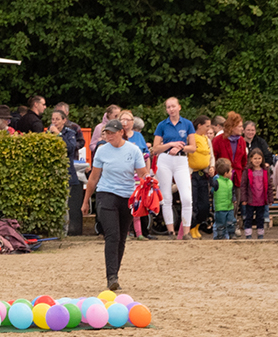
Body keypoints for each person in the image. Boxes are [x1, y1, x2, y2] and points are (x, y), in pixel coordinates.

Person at [80, 118, 149, 292]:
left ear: (121, 132)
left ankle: (114, 273)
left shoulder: (133, 150)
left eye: (112, 133)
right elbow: (94, 177)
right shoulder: (102, 151)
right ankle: (112, 277)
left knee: (121, 237)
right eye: (107, 133)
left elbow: (142, 173)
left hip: (127, 196)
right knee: (112, 235)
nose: (109, 136)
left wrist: (149, 184)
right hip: (106, 194)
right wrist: (86, 201)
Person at [151, 97, 194, 239]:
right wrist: (170, 144)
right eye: (168, 107)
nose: (171, 109)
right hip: (165, 160)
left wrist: (180, 148)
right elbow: (155, 148)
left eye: (173, 106)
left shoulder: (187, 124)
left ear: (179, 107)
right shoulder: (162, 125)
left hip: (181, 160)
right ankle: (171, 231)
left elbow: (193, 147)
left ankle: (186, 231)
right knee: (166, 197)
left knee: (186, 198)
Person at [50, 109, 86, 235]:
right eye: (53, 119)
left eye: (57, 119)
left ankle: (63, 231)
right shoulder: (48, 133)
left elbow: (70, 147)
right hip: (52, 173)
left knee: (63, 203)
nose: (54, 122)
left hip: (66, 172)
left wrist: (59, 135)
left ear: (64, 120)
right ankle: (52, 229)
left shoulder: (70, 133)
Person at [187, 116, 214, 238]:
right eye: (207, 126)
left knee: (204, 205)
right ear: (199, 126)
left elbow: (211, 155)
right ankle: (191, 228)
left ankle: (197, 225)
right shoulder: (190, 137)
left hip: (203, 174)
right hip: (192, 175)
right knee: (193, 203)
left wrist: (211, 167)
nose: (209, 128)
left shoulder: (206, 140)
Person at [240, 148, 272, 240]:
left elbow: (269, 185)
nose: (257, 160)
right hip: (250, 199)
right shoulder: (247, 170)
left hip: (261, 199)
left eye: (259, 158)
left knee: (260, 218)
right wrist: (244, 199)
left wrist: (270, 198)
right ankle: (248, 234)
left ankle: (260, 234)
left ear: (262, 159)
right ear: (251, 159)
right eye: (255, 158)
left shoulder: (265, 170)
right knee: (249, 217)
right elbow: (243, 185)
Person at [210, 159, 235, 240]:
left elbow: (232, 191)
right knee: (220, 223)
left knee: (230, 222)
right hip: (220, 208)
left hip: (229, 207)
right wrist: (211, 176)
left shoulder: (230, 182)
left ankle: (231, 235)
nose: (232, 173)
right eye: (230, 171)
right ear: (226, 173)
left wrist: (234, 199)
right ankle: (220, 236)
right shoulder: (217, 181)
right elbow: (212, 187)